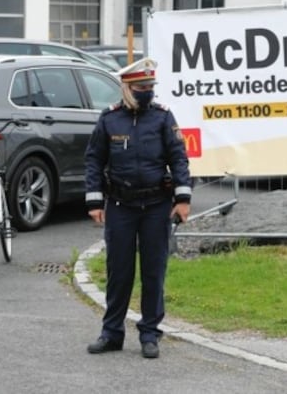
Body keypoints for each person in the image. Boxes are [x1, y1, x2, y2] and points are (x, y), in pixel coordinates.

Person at [84, 57, 192, 359]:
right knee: (119, 271)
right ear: (126, 88)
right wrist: (94, 200)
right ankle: (112, 333)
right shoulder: (109, 119)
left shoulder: (162, 118)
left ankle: (149, 334)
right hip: (120, 205)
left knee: (153, 271)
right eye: (141, 87)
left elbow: (179, 158)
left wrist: (183, 200)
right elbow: (94, 160)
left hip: (156, 205)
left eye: (150, 86)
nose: (147, 91)